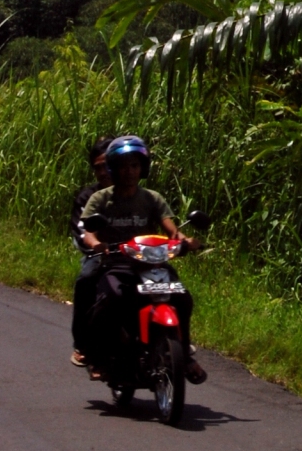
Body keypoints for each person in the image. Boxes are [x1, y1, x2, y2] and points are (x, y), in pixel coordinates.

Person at [80, 134, 207, 384]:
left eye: (135, 165)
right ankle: (102, 356)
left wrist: (184, 241)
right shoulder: (101, 199)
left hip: (151, 263)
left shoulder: (151, 198)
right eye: (123, 166)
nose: (129, 172)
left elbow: (171, 229)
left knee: (182, 298)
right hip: (116, 263)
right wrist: (96, 243)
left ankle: (184, 352)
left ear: (143, 168)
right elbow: (88, 233)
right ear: (113, 168)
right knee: (113, 298)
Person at [69, 137, 113, 367]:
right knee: (86, 279)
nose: (104, 172)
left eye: (108, 164)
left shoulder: (138, 194)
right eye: (98, 167)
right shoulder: (89, 198)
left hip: (136, 255)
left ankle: (178, 341)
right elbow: (81, 231)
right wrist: (96, 245)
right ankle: (83, 343)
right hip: (101, 256)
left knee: (170, 283)